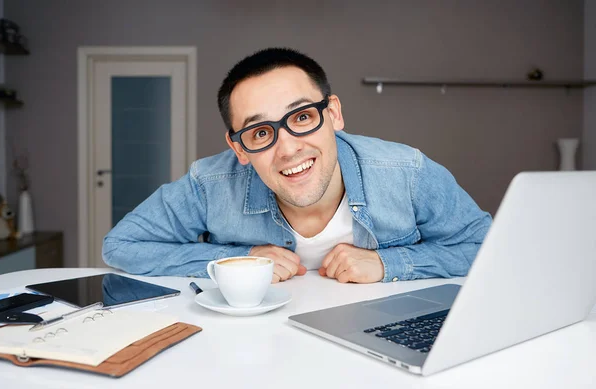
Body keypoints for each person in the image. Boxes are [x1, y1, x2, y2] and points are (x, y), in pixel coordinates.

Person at [102, 47, 492, 284]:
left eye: (302, 117)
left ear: (334, 114)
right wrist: (233, 262)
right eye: (259, 133)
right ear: (239, 147)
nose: (287, 149)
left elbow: (485, 247)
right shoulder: (210, 183)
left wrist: (388, 264)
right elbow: (121, 246)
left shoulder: (406, 172)